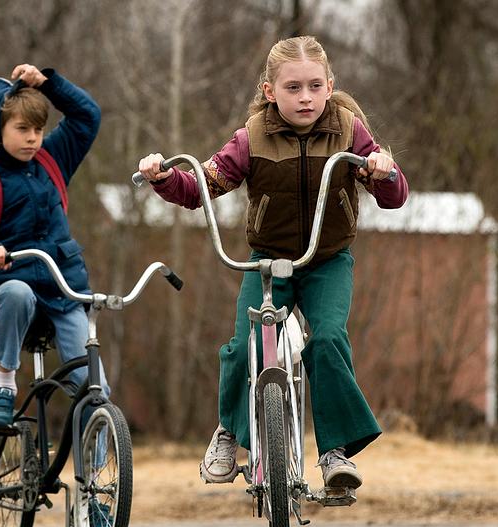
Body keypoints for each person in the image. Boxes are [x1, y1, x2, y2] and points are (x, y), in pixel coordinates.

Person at [137, 36, 409, 489]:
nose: (305, 97)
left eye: (314, 86)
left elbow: (394, 196)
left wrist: (383, 169)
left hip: (327, 260)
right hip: (268, 262)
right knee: (244, 344)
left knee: (327, 338)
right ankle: (228, 433)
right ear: (270, 92)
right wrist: (164, 178)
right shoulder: (251, 138)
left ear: (329, 86)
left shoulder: (349, 130)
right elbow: (200, 187)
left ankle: (335, 452)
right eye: (293, 88)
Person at [0, 64, 106, 428]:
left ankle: (103, 478)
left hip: (62, 289)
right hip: (10, 284)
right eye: (22, 129)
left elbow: (88, 116)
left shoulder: (51, 162)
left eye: (38, 129)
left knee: (94, 389)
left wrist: (48, 84)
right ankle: (4, 384)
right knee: (18, 293)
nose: (33, 138)